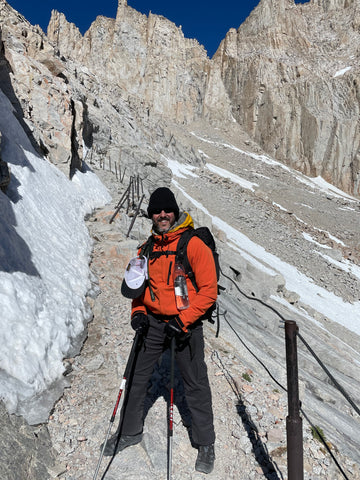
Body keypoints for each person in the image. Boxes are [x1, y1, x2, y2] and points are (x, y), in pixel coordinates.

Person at [104, 187, 217, 474]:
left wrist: (184, 320)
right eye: (156, 211)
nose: (162, 215)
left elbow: (208, 292)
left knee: (195, 383)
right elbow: (137, 290)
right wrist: (138, 314)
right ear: (151, 215)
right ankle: (129, 431)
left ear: (175, 211)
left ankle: (205, 443)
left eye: (166, 210)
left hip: (186, 327)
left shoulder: (193, 245)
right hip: (153, 324)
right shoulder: (146, 249)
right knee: (136, 377)